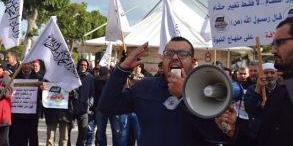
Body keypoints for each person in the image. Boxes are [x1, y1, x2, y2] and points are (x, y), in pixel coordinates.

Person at [98, 36, 236, 146]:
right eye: (169, 53)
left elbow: (216, 135)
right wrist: (122, 70)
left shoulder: (206, 93)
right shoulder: (144, 87)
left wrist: (184, 96)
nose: (175, 57)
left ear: (193, 61)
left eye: (182, 54)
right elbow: (107, 106)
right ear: (163, 60)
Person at [252, 17, 293, 145]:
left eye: (279, 43)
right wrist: (234, 131)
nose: (274, 50)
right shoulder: (282, 89)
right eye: (273, 44)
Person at [244, 62, 279, 145]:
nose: (269, 75)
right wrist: (258, 89)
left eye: (272, 72)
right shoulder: (252, 89)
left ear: (276, 74)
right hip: (257, 133)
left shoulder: (282, 89)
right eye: (266, 73)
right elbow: (249, 109)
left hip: (276, 134)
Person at [9, 62, 44, 146]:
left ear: (32, 66)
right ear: (21, 65)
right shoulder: (13, 77)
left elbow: (43, 96)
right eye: (25, 64)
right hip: (17, 114)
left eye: (29, 64)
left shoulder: (39, 78)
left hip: (32, 114)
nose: (27, 66)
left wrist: (42, 90)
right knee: (17, 137)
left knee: (32, 136)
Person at [70, 58, 95, 146]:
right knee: (67, 131)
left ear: (87, 66)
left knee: (83, 133)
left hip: (84, 109)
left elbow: (92, 92)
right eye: (81, 65)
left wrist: (90, 103)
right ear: (78, 65)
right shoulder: (73, 76)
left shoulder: (90, 77)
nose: (83, 67)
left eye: (85, 65)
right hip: (72, 107)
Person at [0, 61, 12, 146]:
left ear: (3, 69)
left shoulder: (7, 79)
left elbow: (7, 92)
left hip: (2, 115)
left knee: (4, 141)